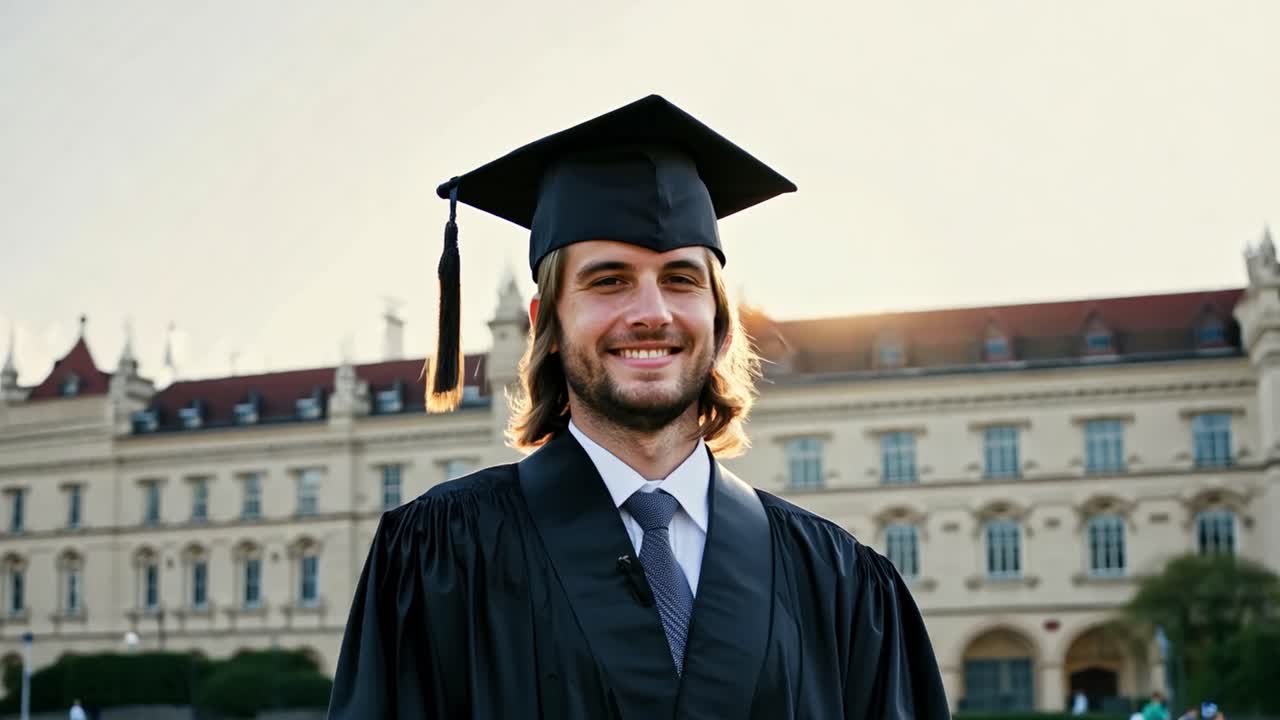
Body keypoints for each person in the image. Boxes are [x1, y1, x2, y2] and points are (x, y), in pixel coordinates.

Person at [327, 95, 951, 719]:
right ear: (546, 322)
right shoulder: (440, 557)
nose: (652, 312)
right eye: (609, 280)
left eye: (680, 279)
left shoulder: (841, 581)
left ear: (721, 322)